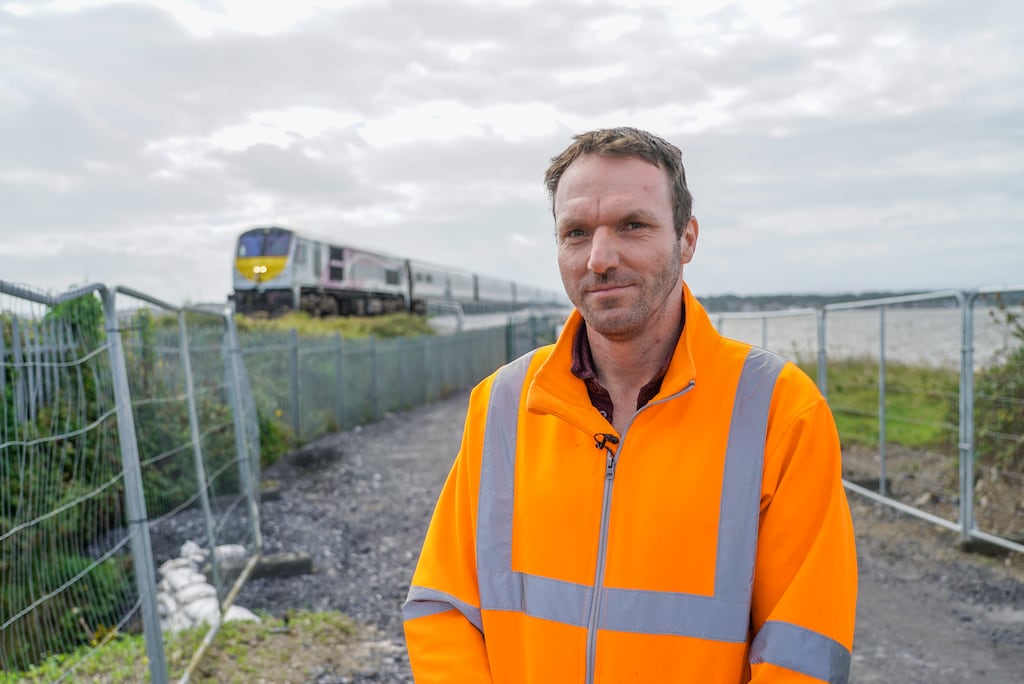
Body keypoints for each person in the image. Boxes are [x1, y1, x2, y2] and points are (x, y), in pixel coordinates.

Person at [403, 127, 857, 682]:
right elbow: (444, 604)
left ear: (687, 239)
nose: (599, 258)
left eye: (632, 225)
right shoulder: (502, 403)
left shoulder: (779, 410)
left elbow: (803, 649)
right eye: (576, 232)